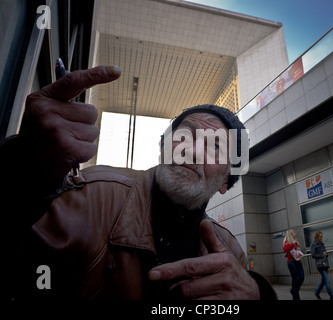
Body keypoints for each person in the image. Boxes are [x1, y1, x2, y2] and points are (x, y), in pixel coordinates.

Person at [0, 65, 277, 300]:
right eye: (186, 134)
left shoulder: (230, 249)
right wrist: (22, 172)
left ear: (225, 182)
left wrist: (258, 292)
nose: (192, 150)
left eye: (215, 146)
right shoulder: (93, 196)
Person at [310, 231, 333, 300]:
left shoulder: (322, 243)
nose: (321, 238)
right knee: (327, 280)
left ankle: (317, 292)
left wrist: (326, 254)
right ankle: (332, 297)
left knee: (324, 281)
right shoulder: (313, 244)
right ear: (317, 236)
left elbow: (325, 252)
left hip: (325, 264)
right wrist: (322, 255)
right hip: (320, 265)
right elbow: (313, 255)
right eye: (320, 237)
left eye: (322, 236)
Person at [283, 229, 304, 300]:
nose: (295, 233)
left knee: (302, 277)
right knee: (295, 278)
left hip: (297, 261)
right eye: (294, 232)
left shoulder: (296, 242)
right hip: (291, 262)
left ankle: (293, 290)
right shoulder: (287, 242)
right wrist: (292, 244)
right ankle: (296, 297)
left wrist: (299, 249)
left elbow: (298, 250)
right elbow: (285, 249)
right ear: (291, 234)